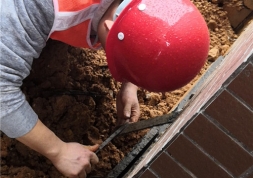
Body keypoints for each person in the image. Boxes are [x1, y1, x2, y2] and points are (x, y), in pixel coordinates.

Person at [0, 0, 209, 177]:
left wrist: (130, 83)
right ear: (111, 27)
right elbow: (2, 94)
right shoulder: (35, 9)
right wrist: (57, 151)